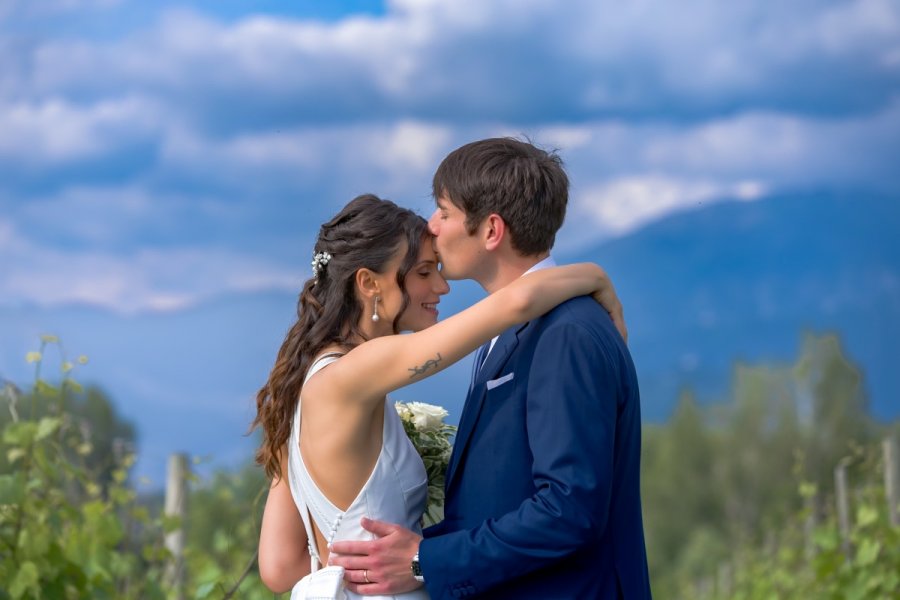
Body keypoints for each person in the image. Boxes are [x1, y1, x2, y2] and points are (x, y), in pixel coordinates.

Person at [252, 193, 626, 598]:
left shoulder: (301, 391)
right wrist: (596, 278)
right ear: (368, 283)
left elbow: (279, 566)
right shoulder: (358, 370)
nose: (442, 286)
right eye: (424, 272)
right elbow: (518, 302)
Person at [330, 139, 652, 599]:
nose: (432, 226)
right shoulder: (516, 328)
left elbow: (569, 509)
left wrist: (425, 561)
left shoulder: (566, 334)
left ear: (491, 230)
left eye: (443, 210)